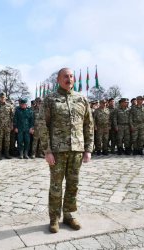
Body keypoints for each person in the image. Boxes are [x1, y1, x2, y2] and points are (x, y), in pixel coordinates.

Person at [41, 67, 94, 233]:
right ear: (58, 79)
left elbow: (89, 124)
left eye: (71, 76)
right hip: (57, 150)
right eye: (65, 76)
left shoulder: (81, 99)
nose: (69, 79)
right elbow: (42, 125)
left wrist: (88, 149)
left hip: (77, 149)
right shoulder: (50, 99)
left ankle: (69, 214)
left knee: (73, 183)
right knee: (56, 185)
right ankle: (54, 218)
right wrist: (47, 150)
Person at [0, 92, 14, 160]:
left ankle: (6, 153)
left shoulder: (9, 106)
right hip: (0, 126)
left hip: (7, 126)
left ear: (5, 98)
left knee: (7, 140)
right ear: (0, 97)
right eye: (1, 97)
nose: (2, 98)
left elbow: (11, 116)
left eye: (3, 97)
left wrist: (11, 124)